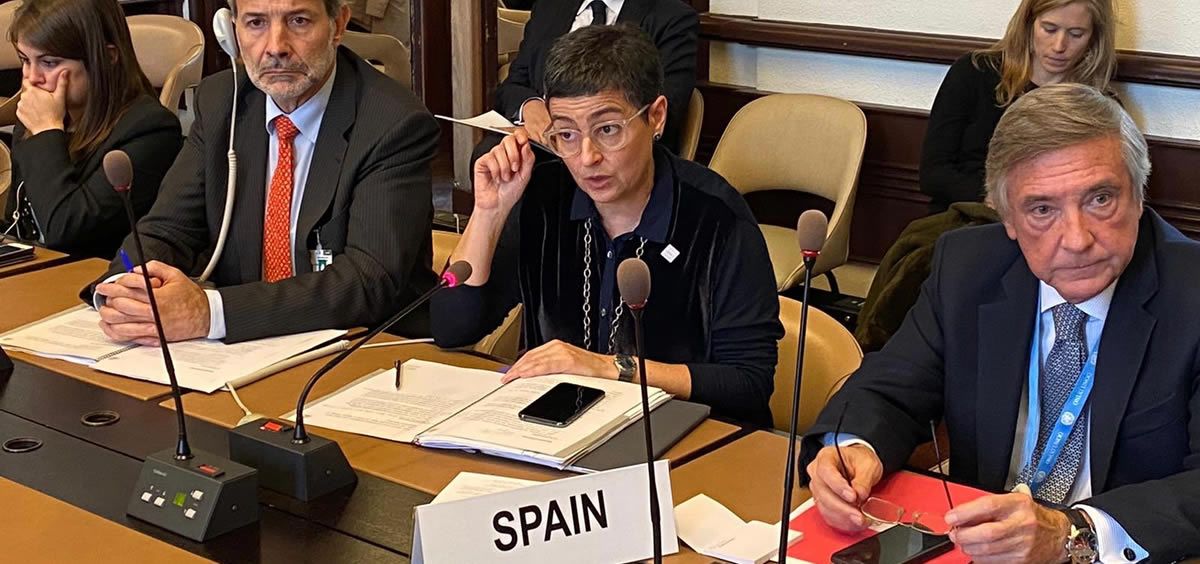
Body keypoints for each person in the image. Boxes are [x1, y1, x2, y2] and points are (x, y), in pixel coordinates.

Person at [802, 84, 1200, 562]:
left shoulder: (1191, 293)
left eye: (1100, 199)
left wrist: (1073, 534)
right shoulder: (968, 268)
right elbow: (889, 388)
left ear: (1139, 195)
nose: (1076, 239)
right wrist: (853, 447)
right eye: (1042, 209)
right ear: (1007, 219)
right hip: (980, 547)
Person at [432, 24, 782, 427]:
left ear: (656, 116)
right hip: (557, 427)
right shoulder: (542, 197)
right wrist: (489, 213)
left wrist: (609, 367)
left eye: (608, 130)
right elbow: (451, 328)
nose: (587, 157)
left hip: (683, 434)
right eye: (566, 134)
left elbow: (748, 383)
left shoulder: (716, 217)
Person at [84, 0, 440, 345]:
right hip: (244, 351)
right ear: (232, 31)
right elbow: (167, 229)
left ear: (338, 25)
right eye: (256, 23)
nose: (275, 47)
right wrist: (125, 289)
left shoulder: (392, 122)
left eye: (299, 21)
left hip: (365, 346)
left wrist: (210, 312)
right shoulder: (222, 102)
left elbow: (368, 280)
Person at [1, 0, 182, 258]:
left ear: (107, 57)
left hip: (99, 274)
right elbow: (19, 225)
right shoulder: (40, 116)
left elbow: (66, 231)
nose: (32, 78)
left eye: (49, 62)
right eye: (25, 60)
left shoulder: (150, 131)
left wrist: (46, 132)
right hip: (38, 271)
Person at [919, 0, 1116, 214]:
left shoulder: (1099, 104)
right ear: (1028, 24)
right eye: (1049, 29)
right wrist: (998, 201)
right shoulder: (974, 72)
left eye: (1076, 34)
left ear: (1094, 38)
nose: (1059, 46)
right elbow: (934, 173)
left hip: (1053, 220)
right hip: (969, 214)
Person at [495, 0, 697, 152]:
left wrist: (570, 130)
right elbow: (512, 85)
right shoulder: (549, 6)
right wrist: (530, 106)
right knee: (491, 158)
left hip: (612, 154)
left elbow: (666, 112)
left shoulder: (672, 17)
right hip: (535, 144)